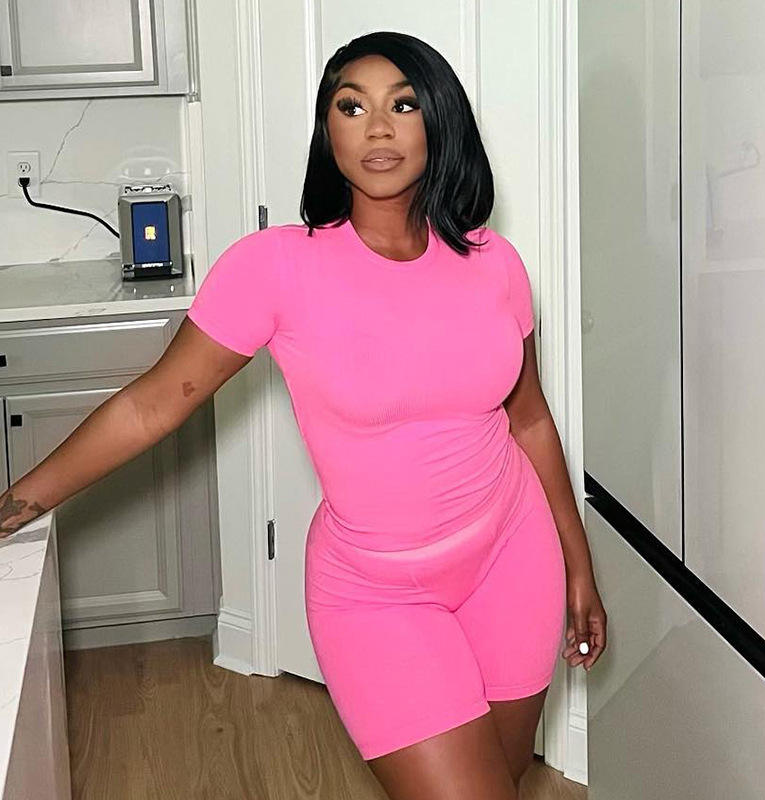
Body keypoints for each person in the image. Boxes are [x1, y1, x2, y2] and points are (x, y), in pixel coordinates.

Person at [0, 30, 606, 800]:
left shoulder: (495, 264)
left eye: (403, 106)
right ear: (328, 131)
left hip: (512, 559)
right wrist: (17, 504)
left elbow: (529, 420)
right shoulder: (276, 268)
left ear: (439, 120)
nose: (377, 128)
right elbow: (153, 405)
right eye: (352, 107)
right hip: (377, 594)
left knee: (500, 783)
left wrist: (579, 564)